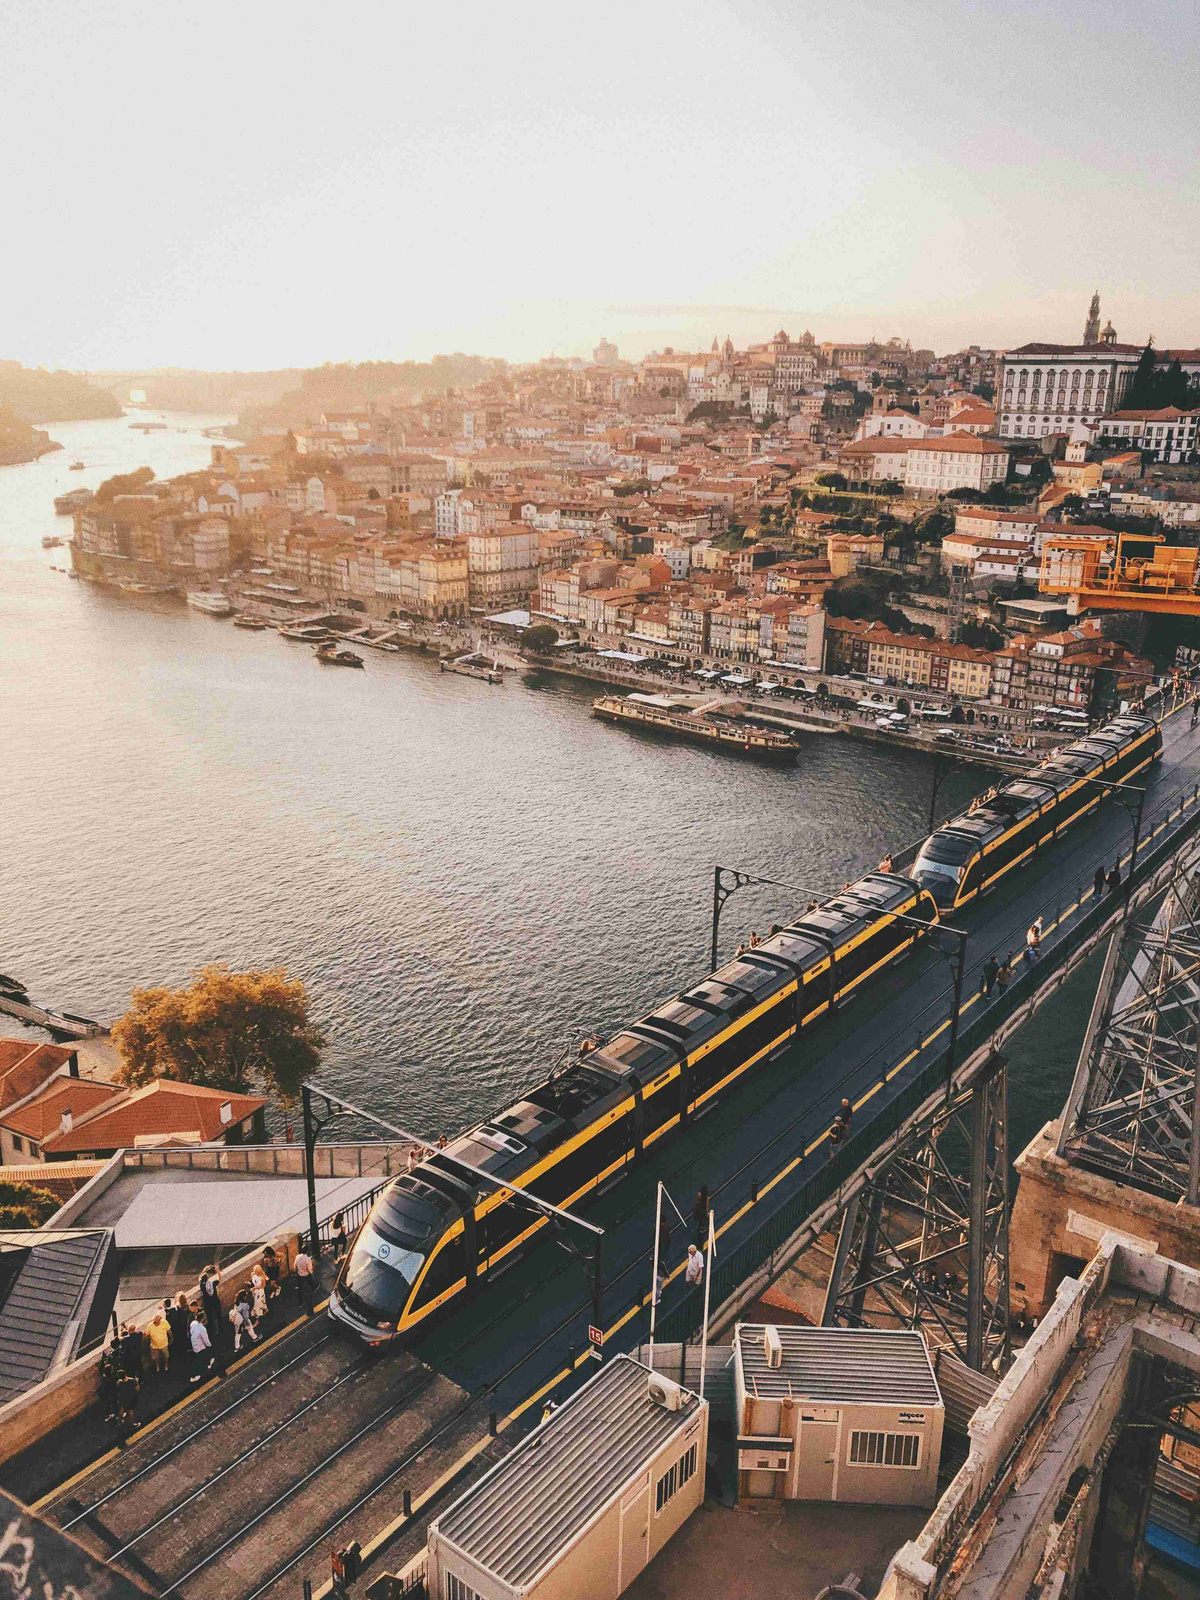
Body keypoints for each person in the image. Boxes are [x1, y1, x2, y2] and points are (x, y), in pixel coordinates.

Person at [189, 1308, 215, 1384]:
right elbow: (205, 1340)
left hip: (194, 1343)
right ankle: (196, 1375)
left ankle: (207, 1364)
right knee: (200, 1359)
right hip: (200, 1346)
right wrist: (209, 1345)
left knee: (201, 1356)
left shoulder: (193, 1323)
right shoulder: (202, 1329)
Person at [145, 1310, 171, 1375]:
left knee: (166, 1356)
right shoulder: (150, 1326)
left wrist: (171, 1338)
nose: (157, 1323)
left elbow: (169, 1331)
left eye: (158, 1321)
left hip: (164, 1344)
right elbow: (147, 1335)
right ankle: (158, 1366)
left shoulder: (164, 1323)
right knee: (156, 1358)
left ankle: (166, 1366)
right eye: (155, 1322)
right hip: (154, 1346)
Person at [294, 1243, 316, 1316]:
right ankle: (313, 1288)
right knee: (310, 1281)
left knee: (300, 1288)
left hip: (300, 1274)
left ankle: (300, 1302)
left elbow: (295, 1266)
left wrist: (297, 1270)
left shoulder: (297, 1257)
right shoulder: (308, 1259)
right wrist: (312, 1272)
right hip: (306, 1274)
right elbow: (309, 1269)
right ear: (307, 1251)